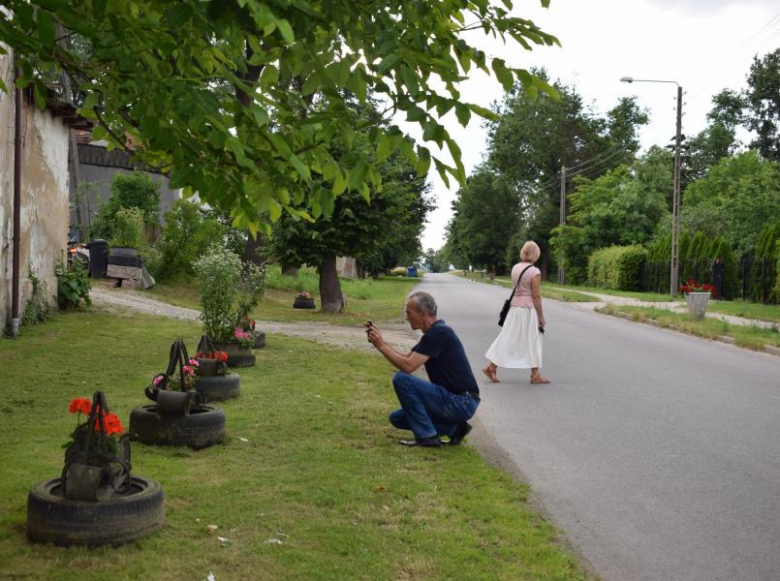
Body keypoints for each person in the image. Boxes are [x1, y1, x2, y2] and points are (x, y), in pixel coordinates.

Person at [365, 291, 479, 448]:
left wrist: (381, 345)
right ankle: (454, 429)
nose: (407, 317)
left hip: (461, 402)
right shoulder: (433, 334)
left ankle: (428, 437)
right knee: (397, 418)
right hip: (453, 399)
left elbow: (407, 367)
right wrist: (380, 341)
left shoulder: (440, 333)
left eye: (409, 313)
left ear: (423, 313)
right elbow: (406, 358)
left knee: (401, 379)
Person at [483, 240, 550, 385]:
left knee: (508, 337)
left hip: (514, 308)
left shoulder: (515, 268)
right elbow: (536, 296)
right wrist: (541, 316)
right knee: (533, 339)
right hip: (527, 309)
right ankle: (535, 375)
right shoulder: (534, 271)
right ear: (536, 254)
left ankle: (492, 367)